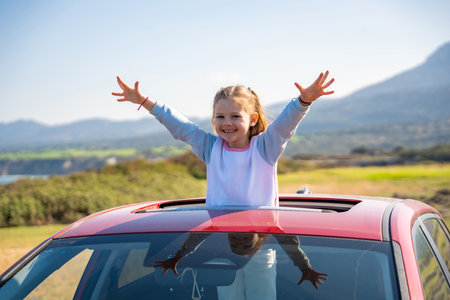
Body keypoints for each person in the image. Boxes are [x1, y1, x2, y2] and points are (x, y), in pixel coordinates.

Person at [112, 72, 334, 207]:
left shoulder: (265, 148)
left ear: (253, 119)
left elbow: (285, 125)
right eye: (220, 117)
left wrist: (303, 102)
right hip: (220, 240)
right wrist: (145, 102)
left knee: (261, 288)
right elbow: (179, 125)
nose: (227, 122)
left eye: (235, 116)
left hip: (262, 242)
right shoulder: (211, 148)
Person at [153, 232, 328, 299]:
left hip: (260, 256)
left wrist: (305, 267)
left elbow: (290, 246)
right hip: (226, 257)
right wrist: (179, 256)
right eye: (238, 241)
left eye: (243, 242)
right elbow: (197, 238)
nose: (240, 241)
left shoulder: (269, 223)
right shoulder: (221, 225)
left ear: (259, 236)